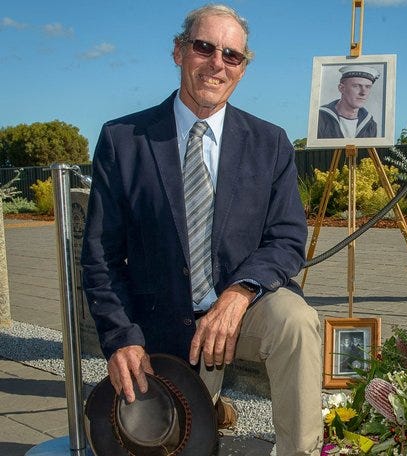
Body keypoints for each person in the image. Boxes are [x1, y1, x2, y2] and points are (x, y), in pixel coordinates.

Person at [80, 4, 322, 455]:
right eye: (204, 47)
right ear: (179, 52)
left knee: (296, 322)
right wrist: (121, 338)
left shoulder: (269, 143)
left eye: (232, 55)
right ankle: (205, 402)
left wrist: (239, 293)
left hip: (241, 310)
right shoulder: (124, 139)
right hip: (158, 320)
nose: (217, 63)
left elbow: (287, 239)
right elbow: (101, 255)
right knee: (164, 437)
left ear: (243, 69)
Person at [317, 65, 379, 139]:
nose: (363, 93)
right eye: (356, 86)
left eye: (368, 87)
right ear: (341, 88)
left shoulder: (370, 125)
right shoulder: (320, 117)